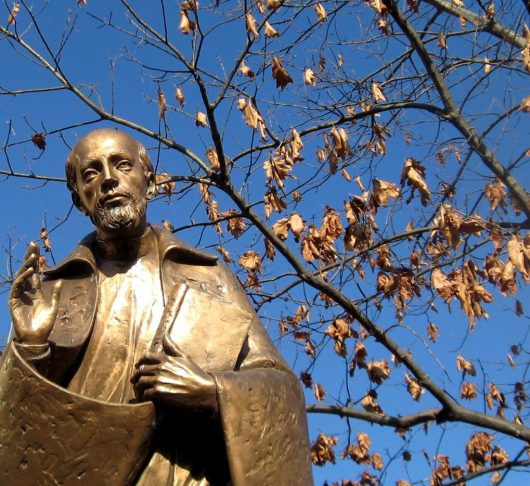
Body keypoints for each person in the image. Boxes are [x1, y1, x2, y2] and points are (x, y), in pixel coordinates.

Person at [4, 129, 313, 485]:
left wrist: (213, 392)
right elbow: (14, 435)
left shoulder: (208, 278)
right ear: (79, 200)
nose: (108, 180)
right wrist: (29, 349)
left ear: (148, 181)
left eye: (122, 165)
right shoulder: (54, 292)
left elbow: (280, 387)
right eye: (91, 173)